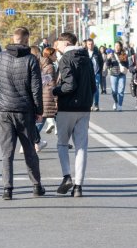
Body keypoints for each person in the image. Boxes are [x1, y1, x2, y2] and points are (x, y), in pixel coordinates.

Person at [0, 27, 44, 201]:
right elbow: (36, 88)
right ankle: (36, 186)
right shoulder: (31, 59)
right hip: (25, 111)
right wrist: (39, 110)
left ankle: (7, 189)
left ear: (13, 38)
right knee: (30, 151)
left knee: (7, 152)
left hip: (5, 111)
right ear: (26, 40)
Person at [52, 32, 96, 197]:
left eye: (59, 43)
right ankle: (78, 186)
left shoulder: (66, 59)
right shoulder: (87, 59)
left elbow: (69, 85)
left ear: (65, 42)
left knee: (62, 143)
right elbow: (93, 85)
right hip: (84, 108)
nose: (57, 46)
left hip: (67, 108)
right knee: (81, 147)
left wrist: (55, 90)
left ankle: (66, 176)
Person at [38, 47, 58, 137]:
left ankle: (63, 140)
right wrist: (56, 98)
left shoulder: (41, 64)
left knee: (43, 118)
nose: (56, 57)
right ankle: (30, 140)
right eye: (54, 55)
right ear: (49, 55)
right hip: (49, 96)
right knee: (42, 120)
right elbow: (51, 84)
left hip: (43, 95)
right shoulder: (50, 67)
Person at [106, 41, 129, 111]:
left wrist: (121, 60)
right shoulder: (111, 54)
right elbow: (108, 65)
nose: (116, 47)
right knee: (114, 91)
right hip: (113, 74)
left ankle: (120, 105)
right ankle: (116, 102)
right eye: (115, 45)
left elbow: (127, 64)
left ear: (120, 47)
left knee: (121, 91)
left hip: (122, 74)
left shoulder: (124, 54)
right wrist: (108, 59)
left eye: (118, 46)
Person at [84, 39, 104, 111]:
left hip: (96, 73)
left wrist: (100, 71)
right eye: (89, 44)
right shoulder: (84, 52)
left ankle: (96, 104)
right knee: (89, 90)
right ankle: (90, 104)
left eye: (92, 44)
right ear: (86, 44)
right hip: (87, 74)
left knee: (96, 89)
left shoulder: (97, 52)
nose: (90, 45)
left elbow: (101, 62)